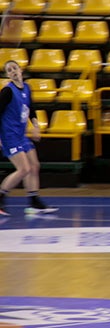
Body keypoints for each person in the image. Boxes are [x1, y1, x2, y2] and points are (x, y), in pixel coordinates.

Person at [0, 60, 56, 216]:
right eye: (9, 70)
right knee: (23, 169)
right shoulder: (7, 92)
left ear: (20, 70)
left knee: (34, 166)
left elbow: (31, 109)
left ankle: (34, 201)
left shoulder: (27, 88)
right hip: (9, 135)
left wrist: (36, 126)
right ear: (8, 75)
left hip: (21, 134)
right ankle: (1, 196)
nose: (12, 71)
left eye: (14, 68)